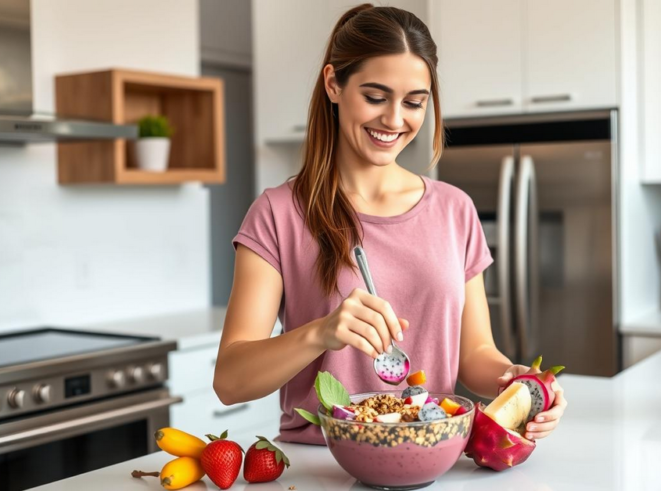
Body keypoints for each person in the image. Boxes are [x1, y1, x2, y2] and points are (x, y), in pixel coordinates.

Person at [213, 3, 566, 445]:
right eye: (376, 97)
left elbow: (475, 353)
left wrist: (516, 381)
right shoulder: (278, 213)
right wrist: (321, 333)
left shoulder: (454, 209)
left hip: (430, 455)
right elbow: (230, 380)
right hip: (321, 464)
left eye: (414, 102)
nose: (395, 120)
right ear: (333, 84)